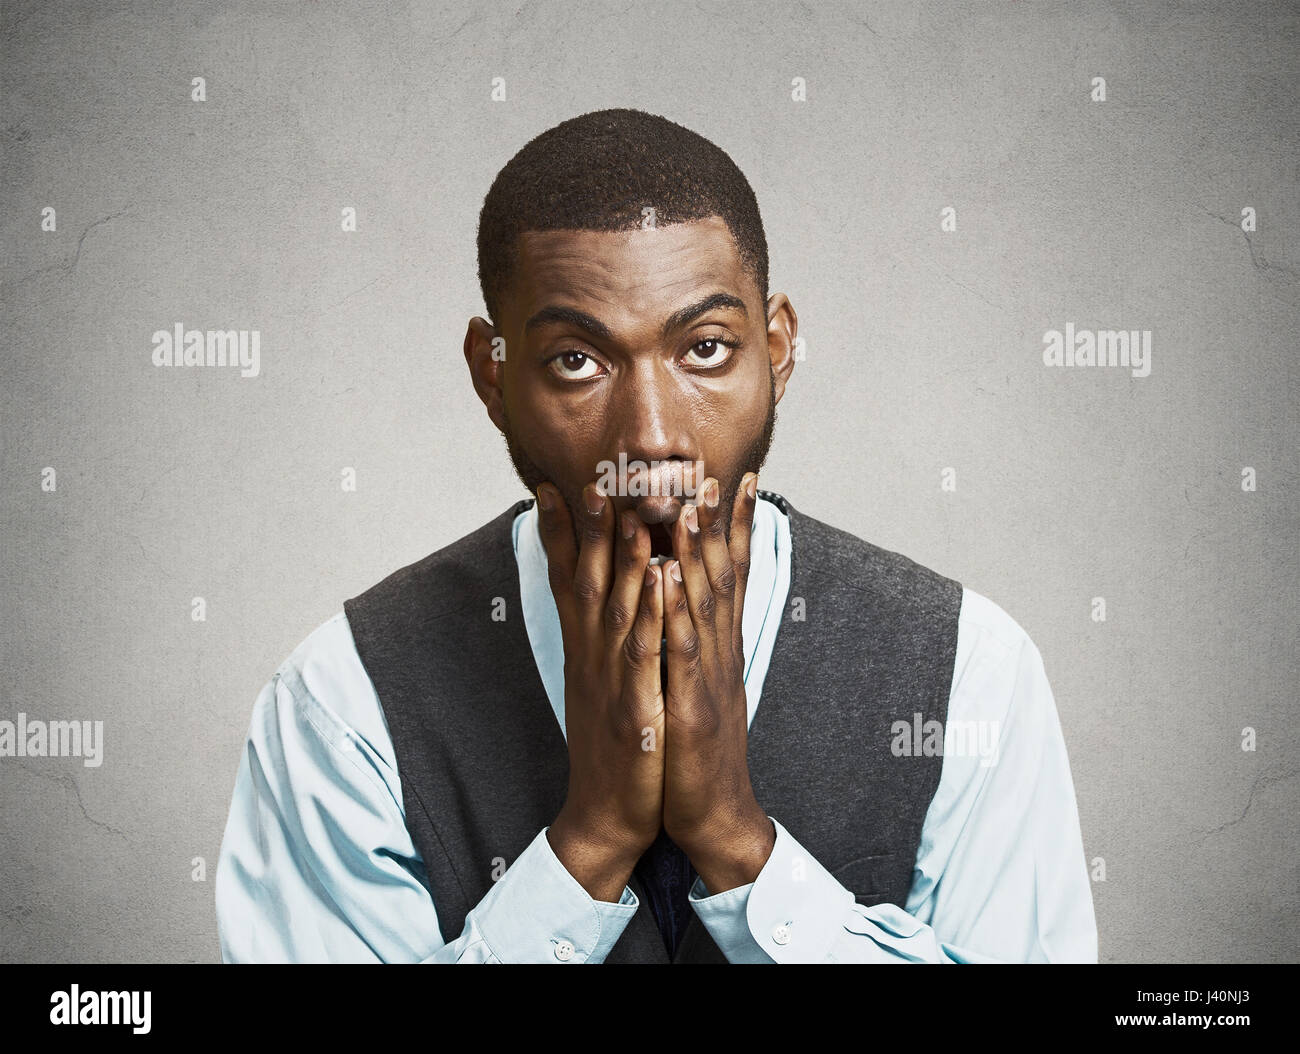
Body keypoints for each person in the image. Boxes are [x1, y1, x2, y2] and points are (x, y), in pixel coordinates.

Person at [215, 107, 1097, 963]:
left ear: (778, 347)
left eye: (705, 349)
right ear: (493, 375)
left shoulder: (967, 672)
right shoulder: (342, 706)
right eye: (577, 360)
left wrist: (738, 844)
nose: (650, 438)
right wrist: (588, 847)